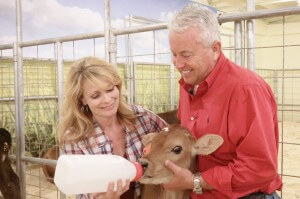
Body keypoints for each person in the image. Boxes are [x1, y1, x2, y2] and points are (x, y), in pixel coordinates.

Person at [163, 3, 283, 199]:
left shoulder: (246, 90)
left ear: (215, 48)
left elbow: (258, 168)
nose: (178, 64)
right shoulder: (189, 83)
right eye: (174, 54)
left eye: (186, 55)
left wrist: (194, 181)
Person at [58, 56, 168, 199]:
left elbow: (175, 140)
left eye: (110, 89)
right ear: (82, 99)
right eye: (95, 95)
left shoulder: (143, 118)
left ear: (118, 86)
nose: (107, 100)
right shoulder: (74, 137)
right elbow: (83, 191)